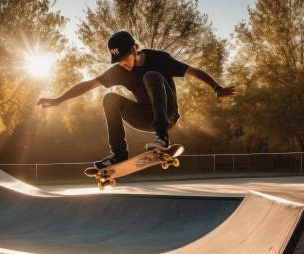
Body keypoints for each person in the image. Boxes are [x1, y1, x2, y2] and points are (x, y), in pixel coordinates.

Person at [37, 31, 236, 169]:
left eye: (125, 58)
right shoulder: (120, 70)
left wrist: (217, 88)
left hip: (167, 115)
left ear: (135, 48)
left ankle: (162, 137)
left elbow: (192, 70)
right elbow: (89, 84)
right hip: (144, 117)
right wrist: (58, 100)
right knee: (109, 99)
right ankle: (118, 154)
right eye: (119, 62)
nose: (123, 64)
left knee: (150, 75)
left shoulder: (159, 59)